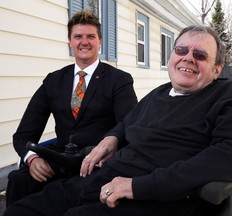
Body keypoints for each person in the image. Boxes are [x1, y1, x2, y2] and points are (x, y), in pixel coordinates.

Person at [4, 24, 232, 216]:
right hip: (97, 180)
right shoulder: (159, 93)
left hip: (151, 198)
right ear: (171, 57)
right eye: (181, 49)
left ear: (217, 69)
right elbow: (128, 122)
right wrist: (112, 138)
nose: (188, 58)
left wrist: (139, 187)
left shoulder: (227, 96)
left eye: (200, 55)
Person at [6, 10, 137, 207]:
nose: (84, 42)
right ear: (70, 41)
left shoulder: (118, 80)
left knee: (63, 199)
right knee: (18, 180)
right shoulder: (54, 80)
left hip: (96, 163)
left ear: (100, 41)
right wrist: (32, 158)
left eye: (90, 36)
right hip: (59, 160)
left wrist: (108, 147)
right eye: (78, 36)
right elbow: (24, 133)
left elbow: (128, 125)